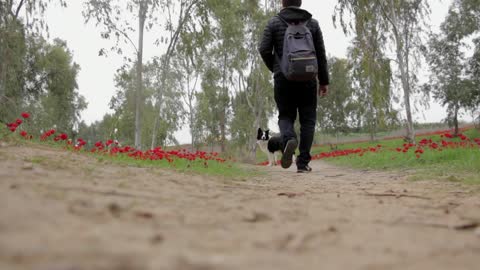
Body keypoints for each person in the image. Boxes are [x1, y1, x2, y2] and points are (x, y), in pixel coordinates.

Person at [259, 0, 329, 173]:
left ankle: (289, 139)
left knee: (285, 116)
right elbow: (320, 54)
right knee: (308, 120)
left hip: (283, 79)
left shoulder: (274, 22)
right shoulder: (312, 23)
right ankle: (303, 163)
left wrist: (276, 68)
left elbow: (264, 49)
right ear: (300, 2)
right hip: (308, 78)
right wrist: (324, 80)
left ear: (283, 2)